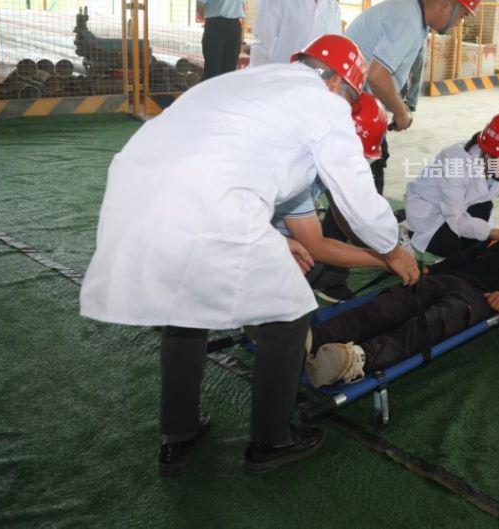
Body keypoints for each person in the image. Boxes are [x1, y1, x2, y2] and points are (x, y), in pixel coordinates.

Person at [79, 34, 420, 476]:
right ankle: (271, 440)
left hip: (143, 189)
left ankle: (177, 436)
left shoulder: (257, 81)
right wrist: (392, 250)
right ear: (338, 82)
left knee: (186, 312)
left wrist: (270, 237)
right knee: (290, 312)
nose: (348, 103)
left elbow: (230, 162)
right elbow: (356, 193)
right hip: (213, 207)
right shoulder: (325, 104)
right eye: (352, 96)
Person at [305, 224, 499, 387]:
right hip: (449, 278)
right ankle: (317, 337)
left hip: (479, 298)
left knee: (431, 323)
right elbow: (465, 256)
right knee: (388, 306)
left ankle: (356, 359)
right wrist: (431, 271)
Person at [344, 0, 485, 191]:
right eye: (462, 15)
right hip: (351, 110)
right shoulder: (409, 20)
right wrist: (401, 111)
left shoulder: (412, 12)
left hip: (354, 104)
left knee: (353, 183)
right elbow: (377, 75)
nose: (459, 23)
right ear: (446, 5)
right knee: (364, 188)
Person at [271, 93, 392, 303]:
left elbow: (342, 214)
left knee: (318, 257)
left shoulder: (323, 159)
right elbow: (315, 246)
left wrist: (380, 247)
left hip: (267, 236)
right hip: (243, 244)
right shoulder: (293, 172)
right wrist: (387, 259)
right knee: (309, 262)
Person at [404, 112, 499, 258]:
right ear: (487, 155)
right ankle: (407, 233)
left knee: (483, 216)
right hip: (430, 213)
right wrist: (494, 234)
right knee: (457, 252)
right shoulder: (455, 163)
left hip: (463, 208)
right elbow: (456, 219)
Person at [394, 0, 429, 113]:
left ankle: (412, 101)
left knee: (416, 70)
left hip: (418, 36)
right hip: (401, 36)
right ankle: (398, 98)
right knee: (399, 68)